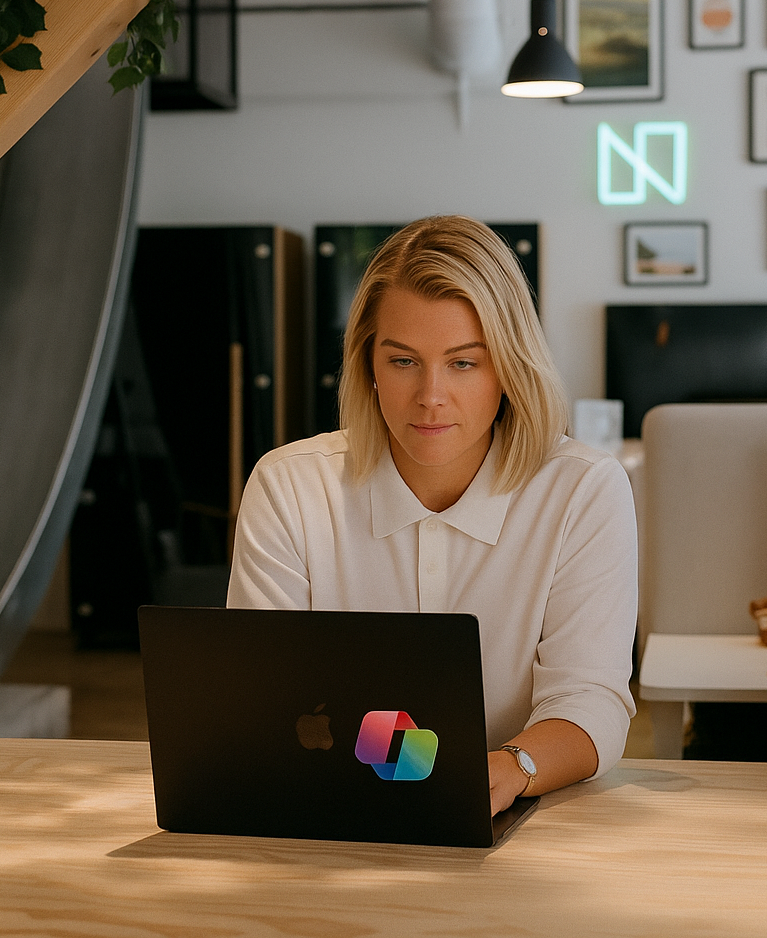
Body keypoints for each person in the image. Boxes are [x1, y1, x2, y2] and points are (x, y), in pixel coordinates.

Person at [227, 215, 638, 812]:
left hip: (522, 818)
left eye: (464, 363)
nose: (431, 396)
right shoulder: (290, 486)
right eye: (402, 361)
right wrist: (416, 768)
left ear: (509, 367)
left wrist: (512, 768)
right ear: (368, 363)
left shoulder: (583, 490)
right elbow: (261, 700)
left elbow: (591, 699)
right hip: (325, 810)